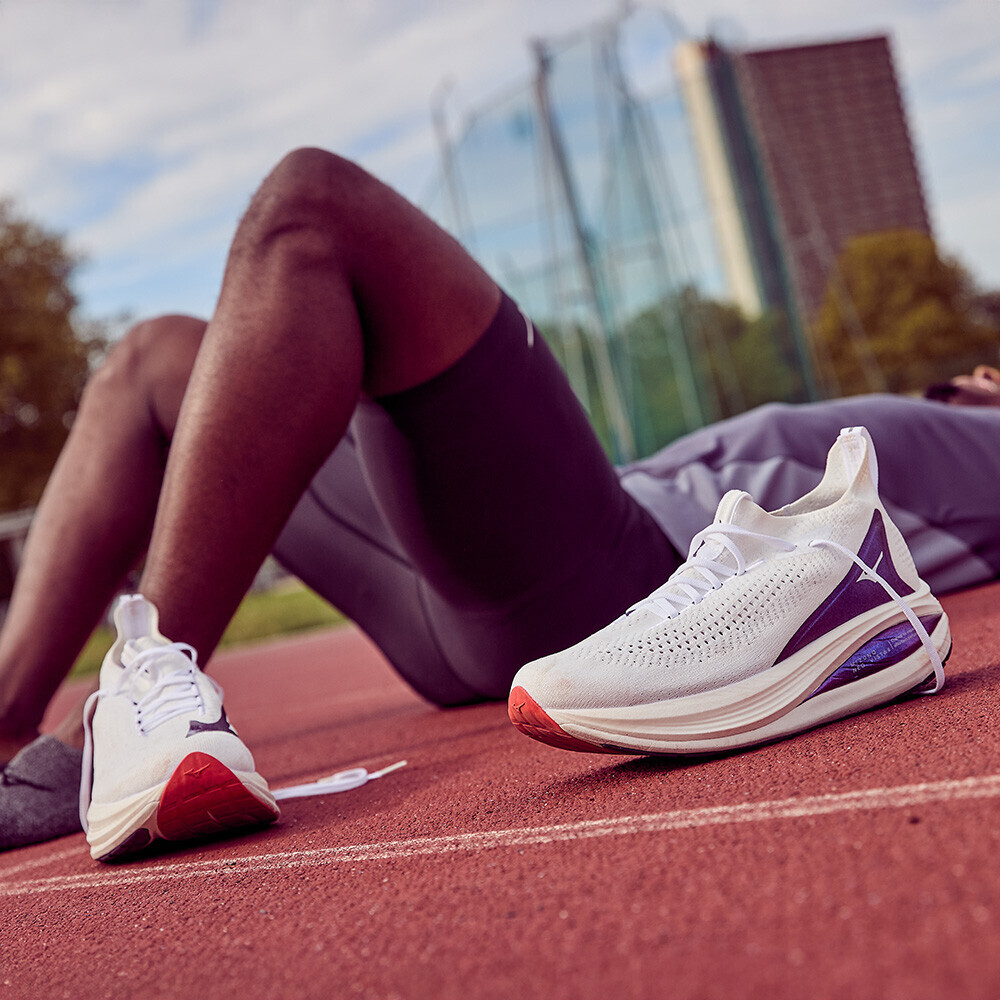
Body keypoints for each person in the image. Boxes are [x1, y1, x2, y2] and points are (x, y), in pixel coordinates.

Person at [0, 149, 997, 858]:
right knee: (155, 359)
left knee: (311, 207)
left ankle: (128, 713)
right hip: (476, 582)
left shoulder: (977, 446)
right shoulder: (925, 416)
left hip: (620, 590)